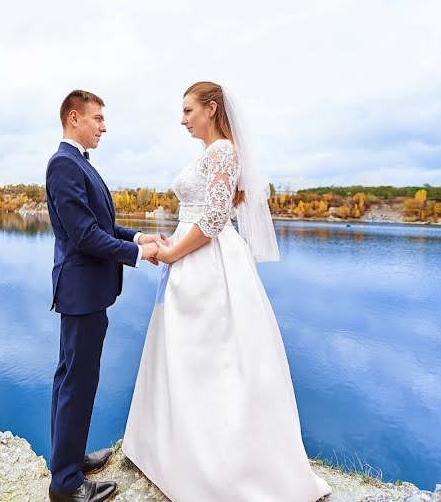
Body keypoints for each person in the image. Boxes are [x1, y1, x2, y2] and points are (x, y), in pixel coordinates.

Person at [122, 81, 332, 502]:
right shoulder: (208, 154)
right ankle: (177, 451)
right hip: (190, 258)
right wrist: (171, 248)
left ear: (211, 108)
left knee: (212, 357)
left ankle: (219, 466)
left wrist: (171, 253)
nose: (182, 120)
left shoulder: (223, 152)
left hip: (207, 264)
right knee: (186, 355)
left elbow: (216, 218)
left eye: (187, 111)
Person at [46, 89, 167, 502]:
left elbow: (101, 224)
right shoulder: (64, 164)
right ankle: (65, 485)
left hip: (87, 292)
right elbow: (83, 236)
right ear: (74, 117)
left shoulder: (78, 163)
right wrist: (137, 254)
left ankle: (68, 460)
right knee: (76, 382)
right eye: (97, 118)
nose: (104, 126)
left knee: (72, 379)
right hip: (81, 292)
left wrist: (136, 235)